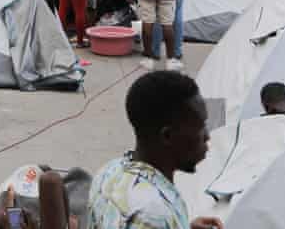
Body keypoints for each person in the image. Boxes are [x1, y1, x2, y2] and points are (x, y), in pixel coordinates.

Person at [86, 71, 223, 229]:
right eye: (200, 127)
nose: (207, 136)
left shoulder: (108, 172)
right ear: (168, 136)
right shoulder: (153, 215)